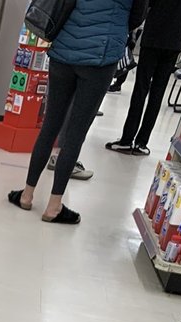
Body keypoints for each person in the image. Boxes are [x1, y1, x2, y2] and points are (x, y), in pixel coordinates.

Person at [8, 0, 146, 224]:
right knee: (75, 133)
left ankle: (27, 194)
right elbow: (136, 18)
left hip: (64, 49)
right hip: (99, 58)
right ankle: (54, 206)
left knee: (50, 125)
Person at [106, 0, 181, 155]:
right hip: (176, 40)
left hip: (154, 35)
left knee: (140, 89)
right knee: (158, 93)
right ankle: (142, 143)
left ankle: (127, 140)